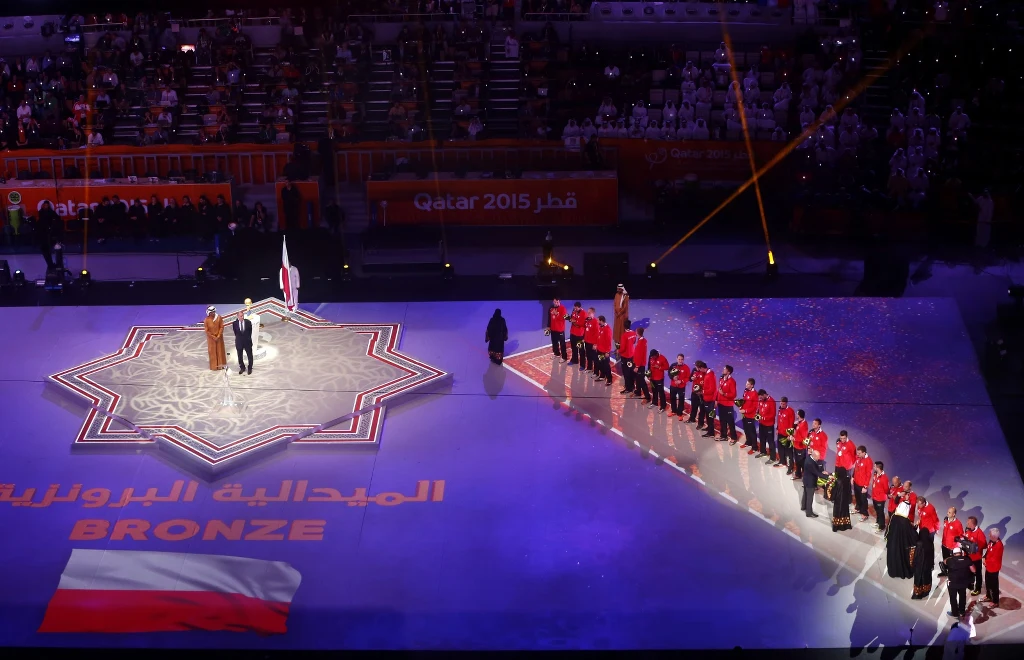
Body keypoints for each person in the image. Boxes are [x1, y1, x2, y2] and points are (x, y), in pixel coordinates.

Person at [830, 432, 856, 532]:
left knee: (845, 485)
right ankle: (835, 495)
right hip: (838, 466)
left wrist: (849, 465)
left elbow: (854, 457)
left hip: (846, 469)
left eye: (844, 438)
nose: (842, 440)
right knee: (837, 483)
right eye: (841, 438)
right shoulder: (839, 442)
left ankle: (847, 499)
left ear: (847, 437)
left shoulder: (851, 445)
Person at [886, 497, 917, 579]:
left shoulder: (893, 516)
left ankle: (893, 572)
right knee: (902, 558)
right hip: (902, 545)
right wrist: (915, 528)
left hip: (892, 543)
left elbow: (888, 528)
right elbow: (912, 535)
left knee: (893, 557)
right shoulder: (906, 522)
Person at [912, 498, 936, 599]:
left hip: (929, 531)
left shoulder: (931, 508)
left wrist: (933, 530)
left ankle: (918, 592)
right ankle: (926, 590)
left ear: (924, 503)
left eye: (920, 505)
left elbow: (935, 520)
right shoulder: (929, 545)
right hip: (923, 530)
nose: (918, 507)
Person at [946, 545, 974, 619]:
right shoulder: (967, 559)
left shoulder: (950, 560)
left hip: (952, 583)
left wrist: (951, 557)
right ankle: (962, 611)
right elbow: (973, 570)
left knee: (953, 598)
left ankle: (955, 613)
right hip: (963, 582)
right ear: (961, 553)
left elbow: (944, 561)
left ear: (953, 553)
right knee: (962, 596)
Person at [711, 365, 738, 441]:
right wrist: (716, 400)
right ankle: (724, 435)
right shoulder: (721, 379)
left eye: (724, 369)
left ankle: (734, 438)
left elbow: (734, 394)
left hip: (728, 405)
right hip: (721, 404)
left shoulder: (732, 381)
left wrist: (724, 394)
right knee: (722, 420)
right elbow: (718, 390)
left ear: (728, 372)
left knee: (730, 422)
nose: (723, 370)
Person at [801, 449, 828, 518]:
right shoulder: (810, 463)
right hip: (810, 482)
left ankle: (803, 507)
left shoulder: (809, 458)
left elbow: (815, 470)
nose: (819, 458)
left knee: (805, 494)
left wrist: (822, 472)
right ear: (814, 456)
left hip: (806, 480)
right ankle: (809, 513)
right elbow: (816, 472)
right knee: (810, 497)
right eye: (818, 456)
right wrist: (827, 476)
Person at [940, 507, 964, 577]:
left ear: (954, 514)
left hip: (952, 547)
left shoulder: (958, 524)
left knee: (951, 562)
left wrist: (958, 546)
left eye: (949, 512)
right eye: (948, 511)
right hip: (944, 545)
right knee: (945, 559)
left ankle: (951, 575)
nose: (947, 513)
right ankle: (944, 571)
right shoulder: (945, 520)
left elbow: (961, 535)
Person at [964, 517, 986, 596]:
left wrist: (975, 548)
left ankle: (978, 589)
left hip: (976, 558)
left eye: (968, 523)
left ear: (973, 524)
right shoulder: (968, 530)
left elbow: (984, 544)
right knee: (968, 572)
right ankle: (970, 584)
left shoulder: (980, 533)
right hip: (968, 556)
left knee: (977, 573)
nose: (967, 524)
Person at [757, 389, 778, 464]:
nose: (760, 399)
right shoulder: (761, 400)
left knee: (770, 442)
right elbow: (759, 409)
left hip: (769, 425)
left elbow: (773, 415)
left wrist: (763, 418)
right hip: (762, 424)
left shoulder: (771, 401)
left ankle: (773, 458)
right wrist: (757, 414)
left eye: (761, 397)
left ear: (764, 395)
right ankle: (763, 452)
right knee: (762, 439)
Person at [203, 306, 227, 371]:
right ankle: (214, 366)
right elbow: (206, 330)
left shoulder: (219, 318)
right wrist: (213, 337)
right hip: (211, 339)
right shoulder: (206, 320)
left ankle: (220, 365)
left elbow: (221, 327)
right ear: (209, 313)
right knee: (212, 352)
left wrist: (218, 335)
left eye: (213, 312)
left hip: (219, 338)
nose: (213, 314)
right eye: (211, 312)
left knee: (220, 351)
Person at [853, 445, 873, 521]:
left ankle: (864, 514)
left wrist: (865, 486)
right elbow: (856, 468)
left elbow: (868, 475)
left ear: (864, 453)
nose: (857, 454)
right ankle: (858, 508)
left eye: (859, 453)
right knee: (857, 497)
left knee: (863, 499)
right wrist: (853, 477)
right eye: (857, 453)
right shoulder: (858, 458)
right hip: (856, 482)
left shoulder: (869, 461)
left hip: (862, 485)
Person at [776, 397, 796, 474]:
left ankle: (790, 467)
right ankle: (782, 461)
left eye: (783, 404)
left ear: (786, 403)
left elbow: (791, 424)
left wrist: (790, 434)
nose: (782, 405)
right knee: (780, 449)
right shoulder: (780, 409)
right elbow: (778, 420)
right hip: (780, 433)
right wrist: (777, 429)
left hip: (787, 435)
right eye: (781, 403)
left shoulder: (790, 411)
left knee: (789, 452)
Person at [984, 529, 1003, 606]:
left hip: (994, 569)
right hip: (988, 567)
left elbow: (994, 559)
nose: (988, 535)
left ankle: (995, 601)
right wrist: (984, 557)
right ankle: (988, 596)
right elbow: (988, 551)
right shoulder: (991, 541)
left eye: (990, 535)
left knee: (994, 585)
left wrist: (986, 561)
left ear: (994, 537)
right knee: (987, 583)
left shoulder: (999, 546)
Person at [739, 378, 759, 452]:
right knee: (746, 429)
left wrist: (745, 410)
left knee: (752, 432)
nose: (746, 385)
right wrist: (741, 406)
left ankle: (754, 447)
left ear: (752, 385)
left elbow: (754, 407)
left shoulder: (755, 394)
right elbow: (744, 400)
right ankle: (748, 442)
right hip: (744, 415)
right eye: (746, 383)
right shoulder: (746, 391)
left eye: (748, 384)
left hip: (750, 416)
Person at [231, 311, 254, 375]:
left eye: (243, 315)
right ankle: (242, 367)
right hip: (239, 342)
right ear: (237, 316)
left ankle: (250, 368)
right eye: (241, 316)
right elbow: (235, 333)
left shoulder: (248, 322)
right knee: (240, 356)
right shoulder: (235, 323)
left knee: (250, 355)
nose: (242, 317)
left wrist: (247, 339)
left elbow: (250, 332)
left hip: (247, 341)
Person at [618, 320, 637, 395]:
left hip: (625, 357)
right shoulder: (633, 333)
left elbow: (622, 348)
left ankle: (628, 388)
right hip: (631, 355)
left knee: (626, 372)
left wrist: (618, 350)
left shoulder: (624, 336)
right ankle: (632, 386)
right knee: (631, 371)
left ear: (624, 326)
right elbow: (634, 342)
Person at [668, 354, 690, 419]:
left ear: (683, 360)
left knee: (681, 400)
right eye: (679, 359)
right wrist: (672, 377)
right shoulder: (673, 365)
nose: (680, 360)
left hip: (681, 387)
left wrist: (681, 381)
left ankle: (680, 413)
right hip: (673, 385)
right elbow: (669, 373)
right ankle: (674, 411)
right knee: (672, 398)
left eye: (681, 359)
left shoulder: (686, 368)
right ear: (676, 359)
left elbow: (688, 378)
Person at [697, 364, 718, 433]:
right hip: (707, 398)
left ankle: (711, 433)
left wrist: (703, 391)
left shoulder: (709, 375)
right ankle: (709, 428)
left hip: (709, 399)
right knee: (708, 416)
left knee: (710, 417)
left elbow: (712, 389)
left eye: (700, 369)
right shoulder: (708, 374)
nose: (700, 370)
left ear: (703, 368)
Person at [870, 462, 890, 531]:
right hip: (874, 497)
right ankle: (878, 522)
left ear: (878, 468)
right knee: (877, 510)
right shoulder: (875, 474)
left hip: (880, 499)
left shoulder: (884, 478)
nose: (873, 467)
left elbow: (886, 489)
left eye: (875, 466)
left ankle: (882, 526)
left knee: (880, 512)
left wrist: (879, 493)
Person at [547, 298, 568, 362]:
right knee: (554, 342)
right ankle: (556, 354)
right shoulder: (551, 308)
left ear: (559, 302)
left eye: (557, 302)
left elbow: (565, 318)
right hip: (553, 329)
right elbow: (549, 318)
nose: (555, 303)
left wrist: (557, 314)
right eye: (554, 302)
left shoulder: (563, 308)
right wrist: (548, 326)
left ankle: (564, 357)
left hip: (560, 329)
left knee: (562, 343)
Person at [594, 315, 613, 385]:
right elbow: (598, 337)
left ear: (601, 321)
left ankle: (609, 379)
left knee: (606, 366)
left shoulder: (607, 329)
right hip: (599, 350)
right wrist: (596, 345)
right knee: (600, 364)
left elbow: (609, 342)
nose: (597, 321)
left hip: (604, 352)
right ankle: (602, 376)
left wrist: (607, 351)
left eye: (598, 320)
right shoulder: (600, 327)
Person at [791, 409, 809, 480]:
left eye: (797, 414)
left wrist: (794, 439)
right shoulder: (799, 423)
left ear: (799, 415)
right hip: (796, 446)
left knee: (802, 463)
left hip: (801, 447)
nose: (796, 414)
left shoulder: (804, 424)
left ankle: (805, 477)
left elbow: (803, 438)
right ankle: (798, 474)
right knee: (798, 462)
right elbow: (797, 433)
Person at [632, 328, 650, 400]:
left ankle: (647, 397)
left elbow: (639, 355)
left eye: (636, 332)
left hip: (639, 365)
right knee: (638, 379)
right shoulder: (643, 340)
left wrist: (637, 366)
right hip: (640, 363)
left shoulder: (640, 343)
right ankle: (638, 391)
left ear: (637, 333)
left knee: (642, 381)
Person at [582, 307, 599, 372]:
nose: (588, 313)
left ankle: (596, 372)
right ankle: (589, 368)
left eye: (589, 312)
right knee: (588, 356)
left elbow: (597, 334)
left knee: (594, 358)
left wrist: (595, 344)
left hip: (592, 343)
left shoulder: (595, 322)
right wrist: (584, 338)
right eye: (587, 312)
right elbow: (586, 331)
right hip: (587, 342)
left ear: (593, 313)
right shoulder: (587, 320)